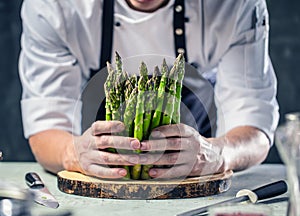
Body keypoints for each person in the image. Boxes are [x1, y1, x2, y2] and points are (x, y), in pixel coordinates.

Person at [19, 0, 279, 180]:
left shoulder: (235, 6)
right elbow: (45, 124)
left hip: (196, 179)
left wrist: (218, 154)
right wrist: (73, 152)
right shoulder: (54, 7)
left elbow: (254, 124)